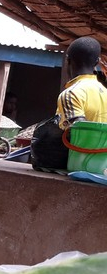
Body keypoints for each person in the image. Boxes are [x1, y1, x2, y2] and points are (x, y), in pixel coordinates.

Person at [31, 36, 107, 172]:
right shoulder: (105, 92)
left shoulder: (71, 94)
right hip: (102, 167)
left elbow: (78, 132)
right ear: (96, 62)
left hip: (79, 166)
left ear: (68, 61)